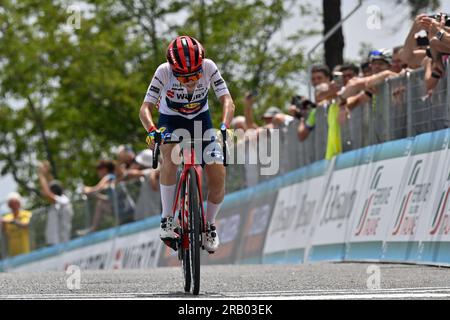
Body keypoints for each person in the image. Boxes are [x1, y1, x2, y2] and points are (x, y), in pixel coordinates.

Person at [139, 35, 236, 253]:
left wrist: (224, 125)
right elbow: (145, 108)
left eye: (195, 75)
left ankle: (209, 224)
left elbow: (227, 100)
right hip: (170, 121)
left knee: (218, 173)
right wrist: (152, 131)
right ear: (173, 70)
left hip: (202, 121)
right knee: (170, 155)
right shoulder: (163, 71)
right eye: (183, 78)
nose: (191, 81)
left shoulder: (209, 66)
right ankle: (166, 219)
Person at [76, 160, 116, 236]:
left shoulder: (108, 177)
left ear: (104, 169)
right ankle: (93, 228)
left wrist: (86, 189)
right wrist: (97, 196)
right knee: (100, 203)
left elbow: (97, 188)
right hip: (118, 206)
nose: (98, 173)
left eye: (98, 171)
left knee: (100, 204)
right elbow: (110, 198)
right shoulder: (113, 177)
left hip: (120, 207)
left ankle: (93, 229)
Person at [38, 161, 73, 246]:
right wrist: (47, 172)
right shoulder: (61, 201)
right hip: (57, 242)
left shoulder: (62, 201)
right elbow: (51, 186)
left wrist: (41, 175)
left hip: (61, 242)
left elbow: (47, 193)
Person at [0, 193, 32, 257]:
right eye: (11, 204)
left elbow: (25, 225)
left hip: (26, 252)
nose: (13, 206)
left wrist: (12, 221)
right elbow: (4, 232)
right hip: (13, 254)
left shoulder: (26, 214)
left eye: (15, 203)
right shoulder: (6, 217)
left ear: (19, 203)